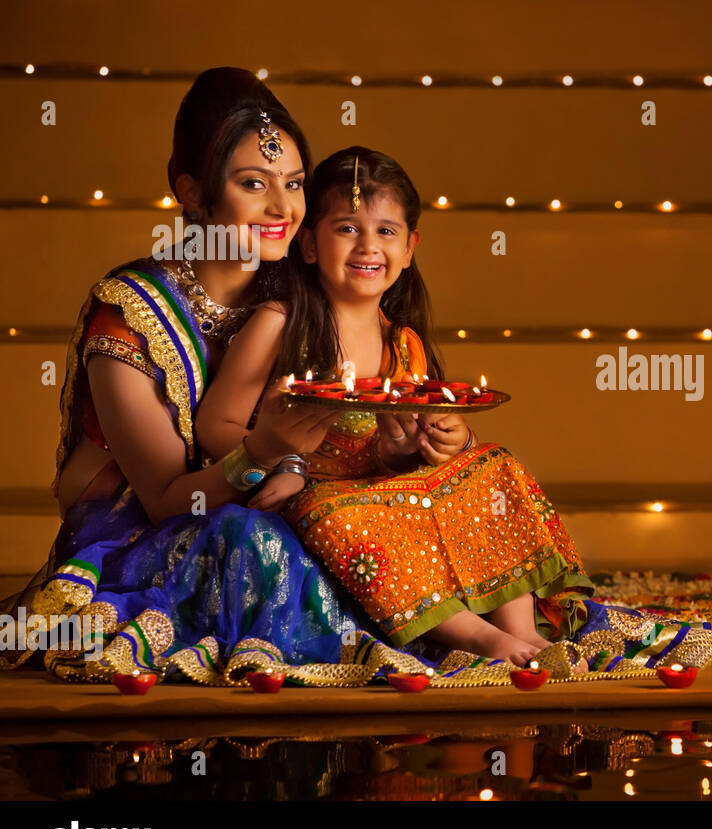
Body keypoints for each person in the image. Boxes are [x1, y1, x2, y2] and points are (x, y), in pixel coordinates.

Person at [194, 146, 712, 676]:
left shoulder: (403, 342)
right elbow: (214, 425)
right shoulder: (279, 323)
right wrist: (283, 465)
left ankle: (523, 630)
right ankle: (482, 641)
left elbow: (393, 450)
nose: (368, 247)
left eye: (385, 232)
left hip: (390, 491)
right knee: (349, 515)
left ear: (409, 249)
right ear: (310, 244)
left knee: (493, 465)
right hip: (316, 497)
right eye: (347, 229)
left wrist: (434, 442)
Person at [0, 69, 433, 685]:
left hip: (289, 508)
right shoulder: (129, 315)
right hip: (146, 539)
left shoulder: (298, 291)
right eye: (253, 184)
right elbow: (167, 500)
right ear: (193, 192)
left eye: (294, 184)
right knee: (251, 538)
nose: (282, 208)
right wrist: (266, 454)